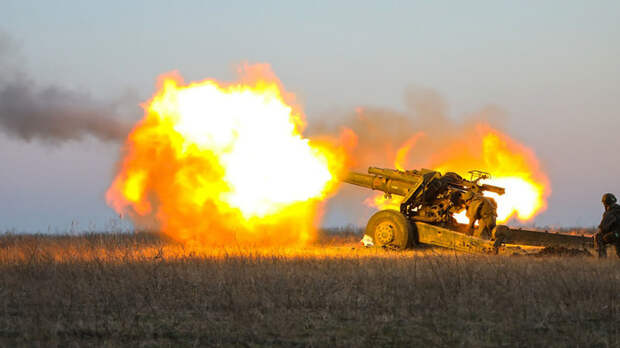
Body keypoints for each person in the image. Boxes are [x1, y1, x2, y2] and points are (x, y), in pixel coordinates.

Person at [594, 193, 620, 258]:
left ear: (605, 203)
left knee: (598, 236)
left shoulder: (610, 213)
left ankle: (602, 260)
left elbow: (602, 229)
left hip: (617, 235)